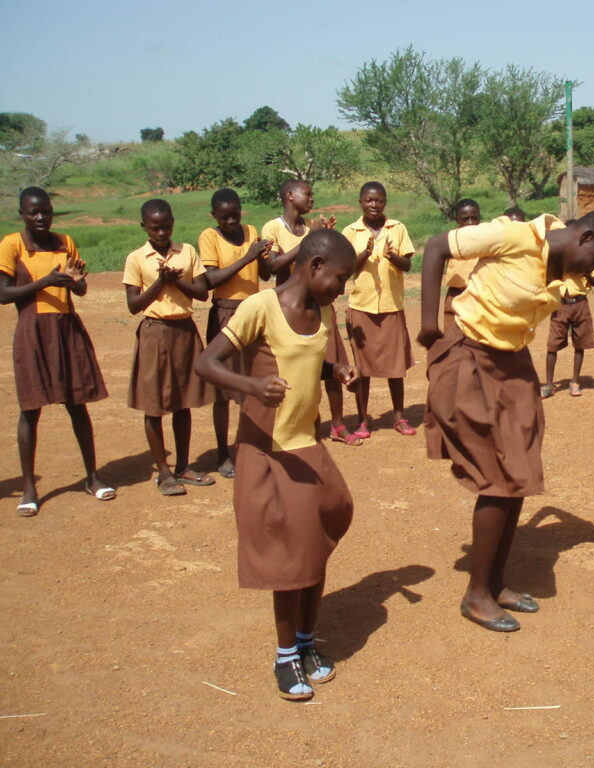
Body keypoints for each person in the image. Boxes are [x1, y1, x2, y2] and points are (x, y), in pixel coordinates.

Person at [418, 210, 594, 632]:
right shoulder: (514, 236)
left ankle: (495, 583)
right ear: (585, 237)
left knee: (521, 471)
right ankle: (476, 595)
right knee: (497, 475)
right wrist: (427, 323)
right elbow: (437, 246)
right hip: (469, 355)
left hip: (512, 362)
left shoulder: (562, 271)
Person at [195, 229, 358, 702]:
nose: (341, 289)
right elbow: (208, 363)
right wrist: (251, 387)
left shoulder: (322, 311)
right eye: (339, 278)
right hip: (268, 447)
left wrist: (336, 370)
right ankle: (286, 655)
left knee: (323, 530)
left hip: (306, 442)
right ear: (314, 266)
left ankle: (306, 641)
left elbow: (308, 363)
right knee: (291, 554)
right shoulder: (260, 308)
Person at [0, 187, 114, 517]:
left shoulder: (65, 242)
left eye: (45, 211)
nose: (40, 217)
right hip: (32, 330)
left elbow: (79, 287)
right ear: (22, 214)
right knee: (30, 408)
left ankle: (92, 477)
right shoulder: (12, 245)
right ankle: (29, 488)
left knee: (77, 404)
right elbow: (4, 294)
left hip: (66, 327)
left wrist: (76, 282)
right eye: (33, 212)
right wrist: (47, 281)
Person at [123, 198, 214, 496]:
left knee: (183, 401)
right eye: (154, 227)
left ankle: (183, 465)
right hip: (155, 333)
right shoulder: (137, 258)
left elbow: (202, 293)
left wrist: (176, 283)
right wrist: (160, 283)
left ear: (173, 223)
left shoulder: (186, 252)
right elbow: (134, 305)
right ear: (144, 227)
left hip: (184, 331)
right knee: (154, 404)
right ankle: (163, 471)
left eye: (166, 226)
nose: (161, 233)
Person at [261, 180, 354, 444]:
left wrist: (325, 239)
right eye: (307, 194)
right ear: (290, 195)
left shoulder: (309, 226)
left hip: (320, 304)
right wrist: (310, 241)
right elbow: (273, 266)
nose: (311, 199)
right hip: (289, 309)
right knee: (295, 370)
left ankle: (337, 423)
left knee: (333, 364)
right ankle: (298, 423)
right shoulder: (273, 227)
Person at [199, 188, 273, 476]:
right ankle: (222, 452)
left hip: (253, 312)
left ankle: (249, 445)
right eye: (224, 216)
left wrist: (262, 257)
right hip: (225, 313)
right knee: (222, 390)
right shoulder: (209, 236)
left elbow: (264, 275)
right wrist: (247, 256)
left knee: (251, 384)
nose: (231, 221)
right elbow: (210, 279)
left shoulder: (251, 231)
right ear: (214, 216)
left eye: (235, 214)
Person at [342, 181, 417, 438]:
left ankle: (399, 416)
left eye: (379, 200)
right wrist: (364, 253)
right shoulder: (350, 231)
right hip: (361, 306)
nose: (374, 205)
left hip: (391, 306)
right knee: (362, 367)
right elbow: (345, 267)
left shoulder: (397, 228)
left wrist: (391, 256)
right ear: (360, 202)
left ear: (385, 202)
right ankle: (363, 420)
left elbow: (407, 264)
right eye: (369, 200)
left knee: (395, 366)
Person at [541, 266, 594, 398]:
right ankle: (549, 384)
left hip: (580, 303)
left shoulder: (587, 258)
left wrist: (585, 273)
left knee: (580, 342)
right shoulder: (558, 256)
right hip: (560, 304)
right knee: (552, 343)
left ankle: (575, 381)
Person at [443, 199, 481, 332]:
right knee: (452, 337)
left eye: (474, 218)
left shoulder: (488, 239)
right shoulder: (450, 240)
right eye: (465, 219)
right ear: (457, 219)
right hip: (456, 294)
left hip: (480, 295)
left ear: (480, 217)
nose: (470, 223)